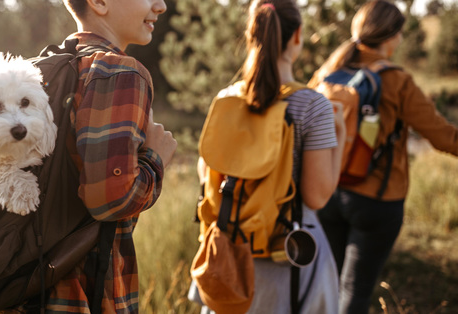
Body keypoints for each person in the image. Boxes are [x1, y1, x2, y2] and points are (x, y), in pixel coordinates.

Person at [189, 0, 346, 313]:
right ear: (297, 35)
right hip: (289, 256)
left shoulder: (227, 97)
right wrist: (340, 135)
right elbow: (316, 197)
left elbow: (207, 173)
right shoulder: (313, 105)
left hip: (228, 257)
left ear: (250, 35)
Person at [309, 1, 458, 313]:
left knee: (327, 284)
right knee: (355, 290)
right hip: (377, 199)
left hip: (326, 192)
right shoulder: (397, 81)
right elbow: (443, 136)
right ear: (392, 36)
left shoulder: (328, 72)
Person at [42, 0, 177, 312]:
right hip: (84, 295)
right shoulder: (120, 71)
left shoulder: (38, 69)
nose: (161, 6)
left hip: (23, 290)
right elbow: (111, 199)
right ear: (99, 2)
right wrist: (156, 158)